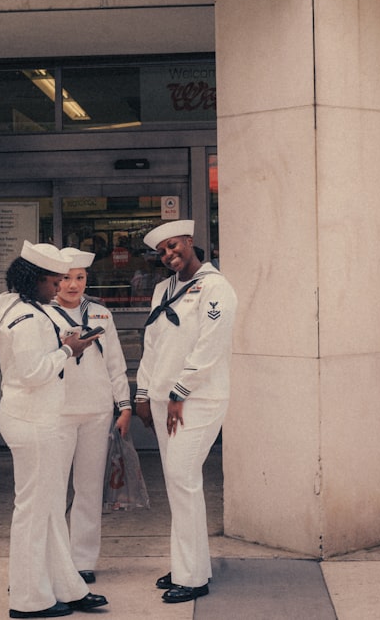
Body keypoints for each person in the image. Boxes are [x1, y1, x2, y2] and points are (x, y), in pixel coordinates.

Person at [0, 241, 109, 619]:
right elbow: (31, 372)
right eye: (54, 280)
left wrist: (61, 342)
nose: (60, 287)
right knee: (33, 512)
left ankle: (66, 586)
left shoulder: (11, 302)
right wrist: (68, 351)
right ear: (35, 278)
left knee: (50, 509)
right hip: (33, 420)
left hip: (32, 417)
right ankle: (27, 599)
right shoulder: (26, 317)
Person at [133, 220, 237, 604]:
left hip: (197, 401)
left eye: (173, 245)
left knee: (183, 480)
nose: (168, 254)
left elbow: (211, 347)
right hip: (164, 401)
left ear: (190, 241)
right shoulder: (164, 288)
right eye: (161, 251)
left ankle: (192, 577)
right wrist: (143, 393)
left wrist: (179, 391)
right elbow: (153, 344)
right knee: (178, 486)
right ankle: (187, 565)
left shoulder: (216, 287)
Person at [48, 247, 132, 585]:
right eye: (66, 278)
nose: (72, 285)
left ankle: (83, 560)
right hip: (57, 411)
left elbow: (115, 363)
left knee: (88, 488)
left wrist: (123, 405)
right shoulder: (43, 313)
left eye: (79, 278)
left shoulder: (100, 313)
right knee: (53, 489)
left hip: (97, 411)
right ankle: (55, 558)